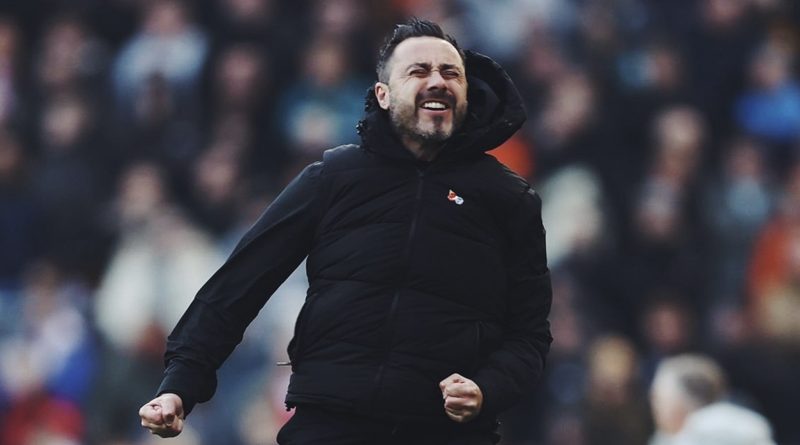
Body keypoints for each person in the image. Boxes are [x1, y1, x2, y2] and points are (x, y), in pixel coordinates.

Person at [139, 18, 552, 444]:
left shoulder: (509, 199)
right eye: (419, 71)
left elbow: (530, 336)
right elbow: (237, 287)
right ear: (383, 94)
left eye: (451, 73)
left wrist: (486, 390)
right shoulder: (334, 177)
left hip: (444, 433)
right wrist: (178, 386)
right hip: (329, 424)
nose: (438, 81)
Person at [649, 354, 775, 445]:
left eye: (659, 398)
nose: (654, 406)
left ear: (684, 400)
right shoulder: (666, 438)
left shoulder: (719, 433)